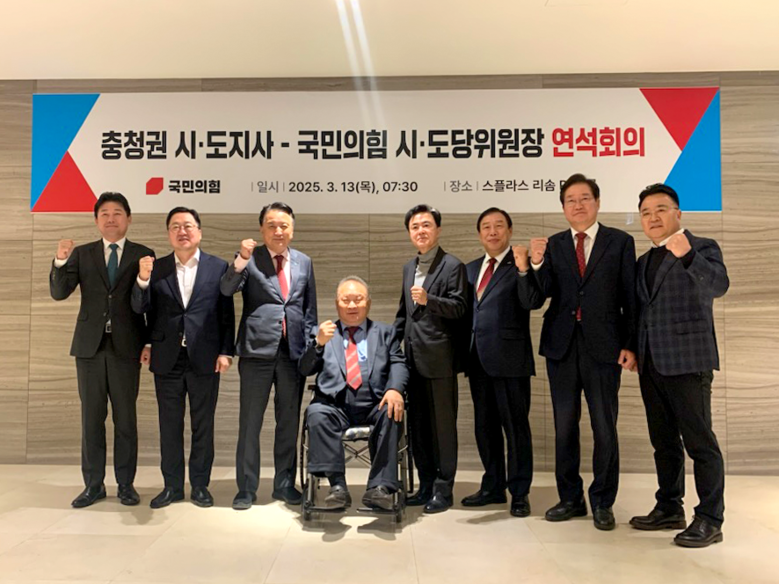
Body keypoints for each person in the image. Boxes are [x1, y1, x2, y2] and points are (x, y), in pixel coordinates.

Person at [527, 173, 637, 530]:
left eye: (584, 198)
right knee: (564, 427)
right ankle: (570, 498)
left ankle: (603, 501)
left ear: (597, 202)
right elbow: (539, 295)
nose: (578, 205)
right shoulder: (554, 244)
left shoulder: (619, 242)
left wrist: (630, 344)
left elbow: (630, 297)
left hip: (605, 347)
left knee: (604, 426)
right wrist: (536, 263)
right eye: (570, 200)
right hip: (561, 346)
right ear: (563, 207)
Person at [629, 183, 728, 548]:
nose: (653, 217)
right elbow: (641, 311)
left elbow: (718, 285)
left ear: (678, 213)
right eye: (646, 213)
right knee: (664, 442)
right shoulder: (643, 261)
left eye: (661, 209)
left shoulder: (702, 247)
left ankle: (710, 519)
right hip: (651, 363)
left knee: (700, 443)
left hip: (689, 361)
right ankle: (670, 506)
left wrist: (688, 256)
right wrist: (632, 348)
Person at [49, 192, 154, 508]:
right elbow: (59, 292)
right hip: (89, 348)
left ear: (129, 219)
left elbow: (149, 303)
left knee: (126, 420)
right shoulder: (81, 254)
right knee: (91, 419)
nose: (111, 218)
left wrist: (148, 341)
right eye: (105, 213)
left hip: (127, 347)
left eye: (118, 213)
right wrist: (60, 260)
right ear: (96, 220)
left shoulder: (143, 254)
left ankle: (126, 485)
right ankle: (93, 485)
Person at [131, 207, 235, 509]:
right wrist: (142, 279)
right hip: (167, 358)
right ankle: (172, 486)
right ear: (168, 234)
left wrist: (226, 351)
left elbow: (226, 314)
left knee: (203, 424)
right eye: (175, 226)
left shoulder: (218, 267)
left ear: (199, 231)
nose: (182, 231)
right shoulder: (157, 267)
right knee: (169, 426)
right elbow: (141, 310)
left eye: (188, 225)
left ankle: (200, 486)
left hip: (205, 357)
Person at [221, 202, 317, 510]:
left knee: (288, 421)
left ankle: (284, 485)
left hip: (292, 354)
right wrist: (241, 259)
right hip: (256, 351)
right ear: (262, 229)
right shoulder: (249, 259)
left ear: (293, 229)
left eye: (284, 225)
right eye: (272, 225)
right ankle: (246, 489)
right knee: (250, 422)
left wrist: (311, 347)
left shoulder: (304, 261)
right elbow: (226, 289)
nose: (278, 231)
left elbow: (309, 310)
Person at [462, 208, 543, 517]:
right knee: (485, 428)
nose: (492, 231)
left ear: (509, 231)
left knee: (516, 428)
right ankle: (493, 486)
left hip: (511, 360)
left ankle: (519, 492)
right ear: (479, 234)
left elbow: (531, 301)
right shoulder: (470, 269)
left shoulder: (520, 263)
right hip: (477, 360)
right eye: (486, 227)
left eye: (498, 226)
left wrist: (524, 269)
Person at [300, 276, 408, 510]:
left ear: (368, 303)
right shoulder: (322, 332)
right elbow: (304, 369)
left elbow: (398, 363)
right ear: (336, 303)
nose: (351, 305)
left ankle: (379, 488)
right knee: (316, 413)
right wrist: (318, 344)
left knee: (392, 411)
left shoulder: (385, 332)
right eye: (345, 300)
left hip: (375, 404)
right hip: (334, 406)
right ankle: (337, 487)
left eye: (357, 299)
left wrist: (394, 389)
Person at [393, 204, 467, 513]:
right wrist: (390, 345)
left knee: (443, 428)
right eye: (415, 227)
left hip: (440, 359)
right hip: (412, 360)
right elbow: (404, 313)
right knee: (419, 427)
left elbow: (460, 308)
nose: (420, 231)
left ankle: (443, 489)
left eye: (426, 225)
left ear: (437, 229)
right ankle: (424, 485)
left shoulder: (453, 265)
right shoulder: (409, 267)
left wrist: (429, 299)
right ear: (409, 233)